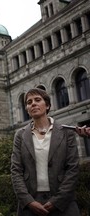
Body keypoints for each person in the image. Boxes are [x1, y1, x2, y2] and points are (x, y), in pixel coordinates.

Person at [11, 88, 80, 216]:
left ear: (47, 105)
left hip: (63, 204)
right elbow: (16, 170)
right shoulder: (20, 135)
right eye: (29, 102)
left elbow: (73, 168)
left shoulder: (66, 132)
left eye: (38, 100)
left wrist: (58, 200)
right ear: (26, 108)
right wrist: (28, 201)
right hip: (31, 204)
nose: (33, 104)